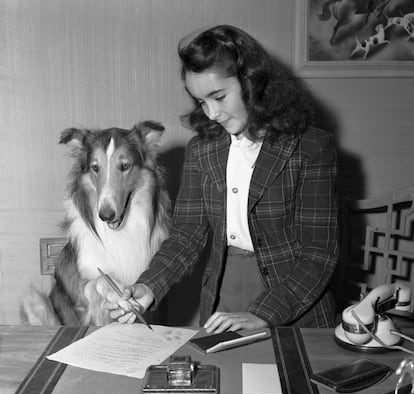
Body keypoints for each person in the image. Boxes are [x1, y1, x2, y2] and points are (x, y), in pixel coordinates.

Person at [103, 24, 339, 334]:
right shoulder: (202, 150)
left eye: (219, 96)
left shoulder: (310, 147)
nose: (212, 113)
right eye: (202, 101)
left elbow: (318, 254)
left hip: (295, 302)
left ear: (251, 82)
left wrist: (265, 314)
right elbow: (187, 235)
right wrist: (148, 287)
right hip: (223, 296)